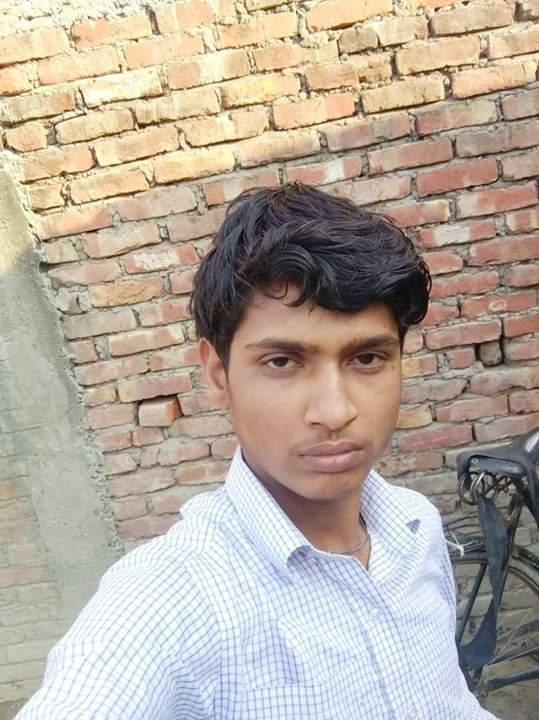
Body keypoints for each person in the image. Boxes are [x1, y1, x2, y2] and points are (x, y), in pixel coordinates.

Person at [16, 183, 498, 719]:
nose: (334, 411)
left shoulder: (415, 527)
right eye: (282, 362)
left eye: (367, 358)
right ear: (217, 374)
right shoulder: (175, 597)